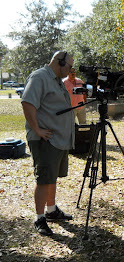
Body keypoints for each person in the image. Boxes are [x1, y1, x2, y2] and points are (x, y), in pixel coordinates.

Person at [21, 51, 75, 236]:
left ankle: (51, 210)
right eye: (68, 67)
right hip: (45, 139)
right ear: (59, 62)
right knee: (44, 178)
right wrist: (37, 129)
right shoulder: (40, 77)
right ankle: (39, 218)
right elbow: (27, 103)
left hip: (57, 139)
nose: (70, 71)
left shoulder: (56, 79)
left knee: (52, 177)